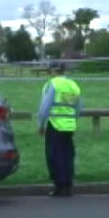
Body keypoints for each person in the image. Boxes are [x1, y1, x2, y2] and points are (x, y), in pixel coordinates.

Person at [37, 62, 82, 197]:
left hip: (55, 123)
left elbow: (45, 106)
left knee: (55, 156)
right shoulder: (73, 85)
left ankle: (59, 185)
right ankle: (68, 184)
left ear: (52, 71)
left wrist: (41, 124)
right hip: (69, 125)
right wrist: (73, 120)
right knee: (68, 155)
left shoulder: (53, 84)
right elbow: (79, 106)